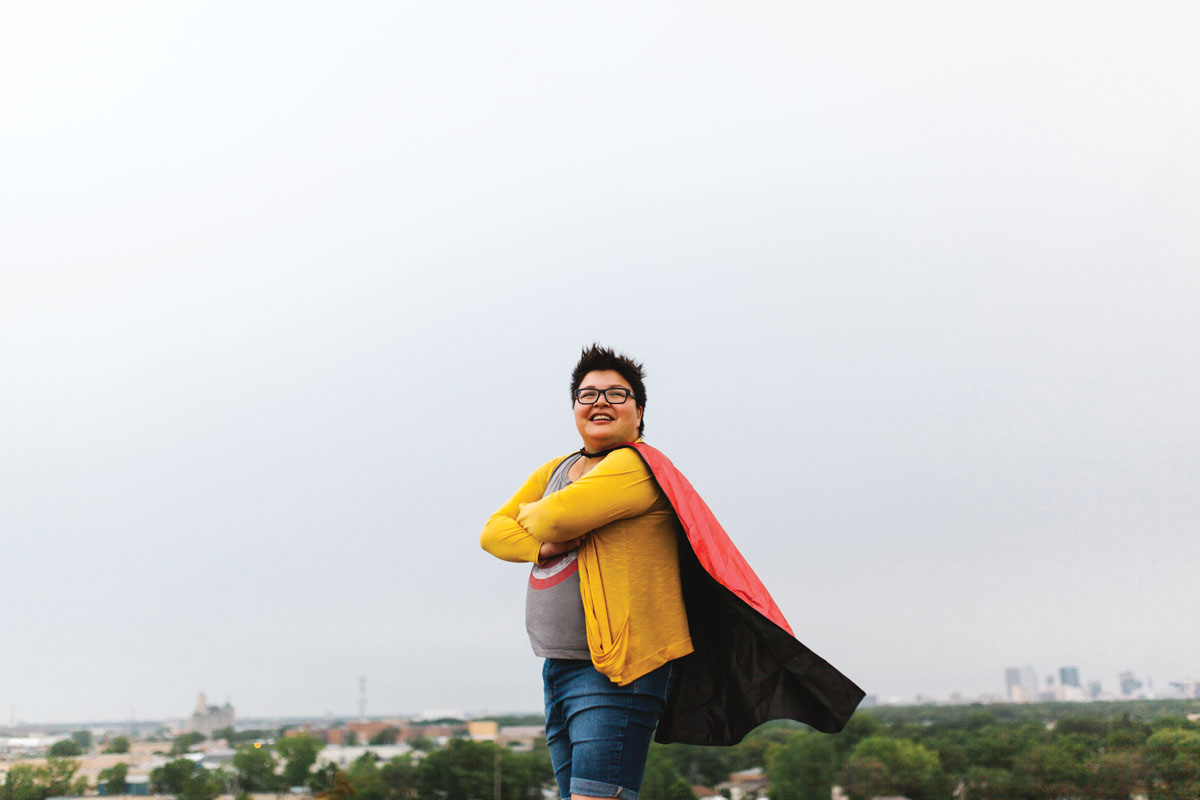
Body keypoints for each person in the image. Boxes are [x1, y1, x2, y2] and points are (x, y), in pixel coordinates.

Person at [481, 345, 863, 800]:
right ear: (574, 409)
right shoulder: (557, 469)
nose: (600, 401)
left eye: (616, 394)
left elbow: (554, 519)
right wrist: (541, 546)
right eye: (587, 394)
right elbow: (491, 534)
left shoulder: (634, 465)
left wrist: (537, 521)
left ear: (639, 412)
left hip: (618, 669)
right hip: (559, 666)